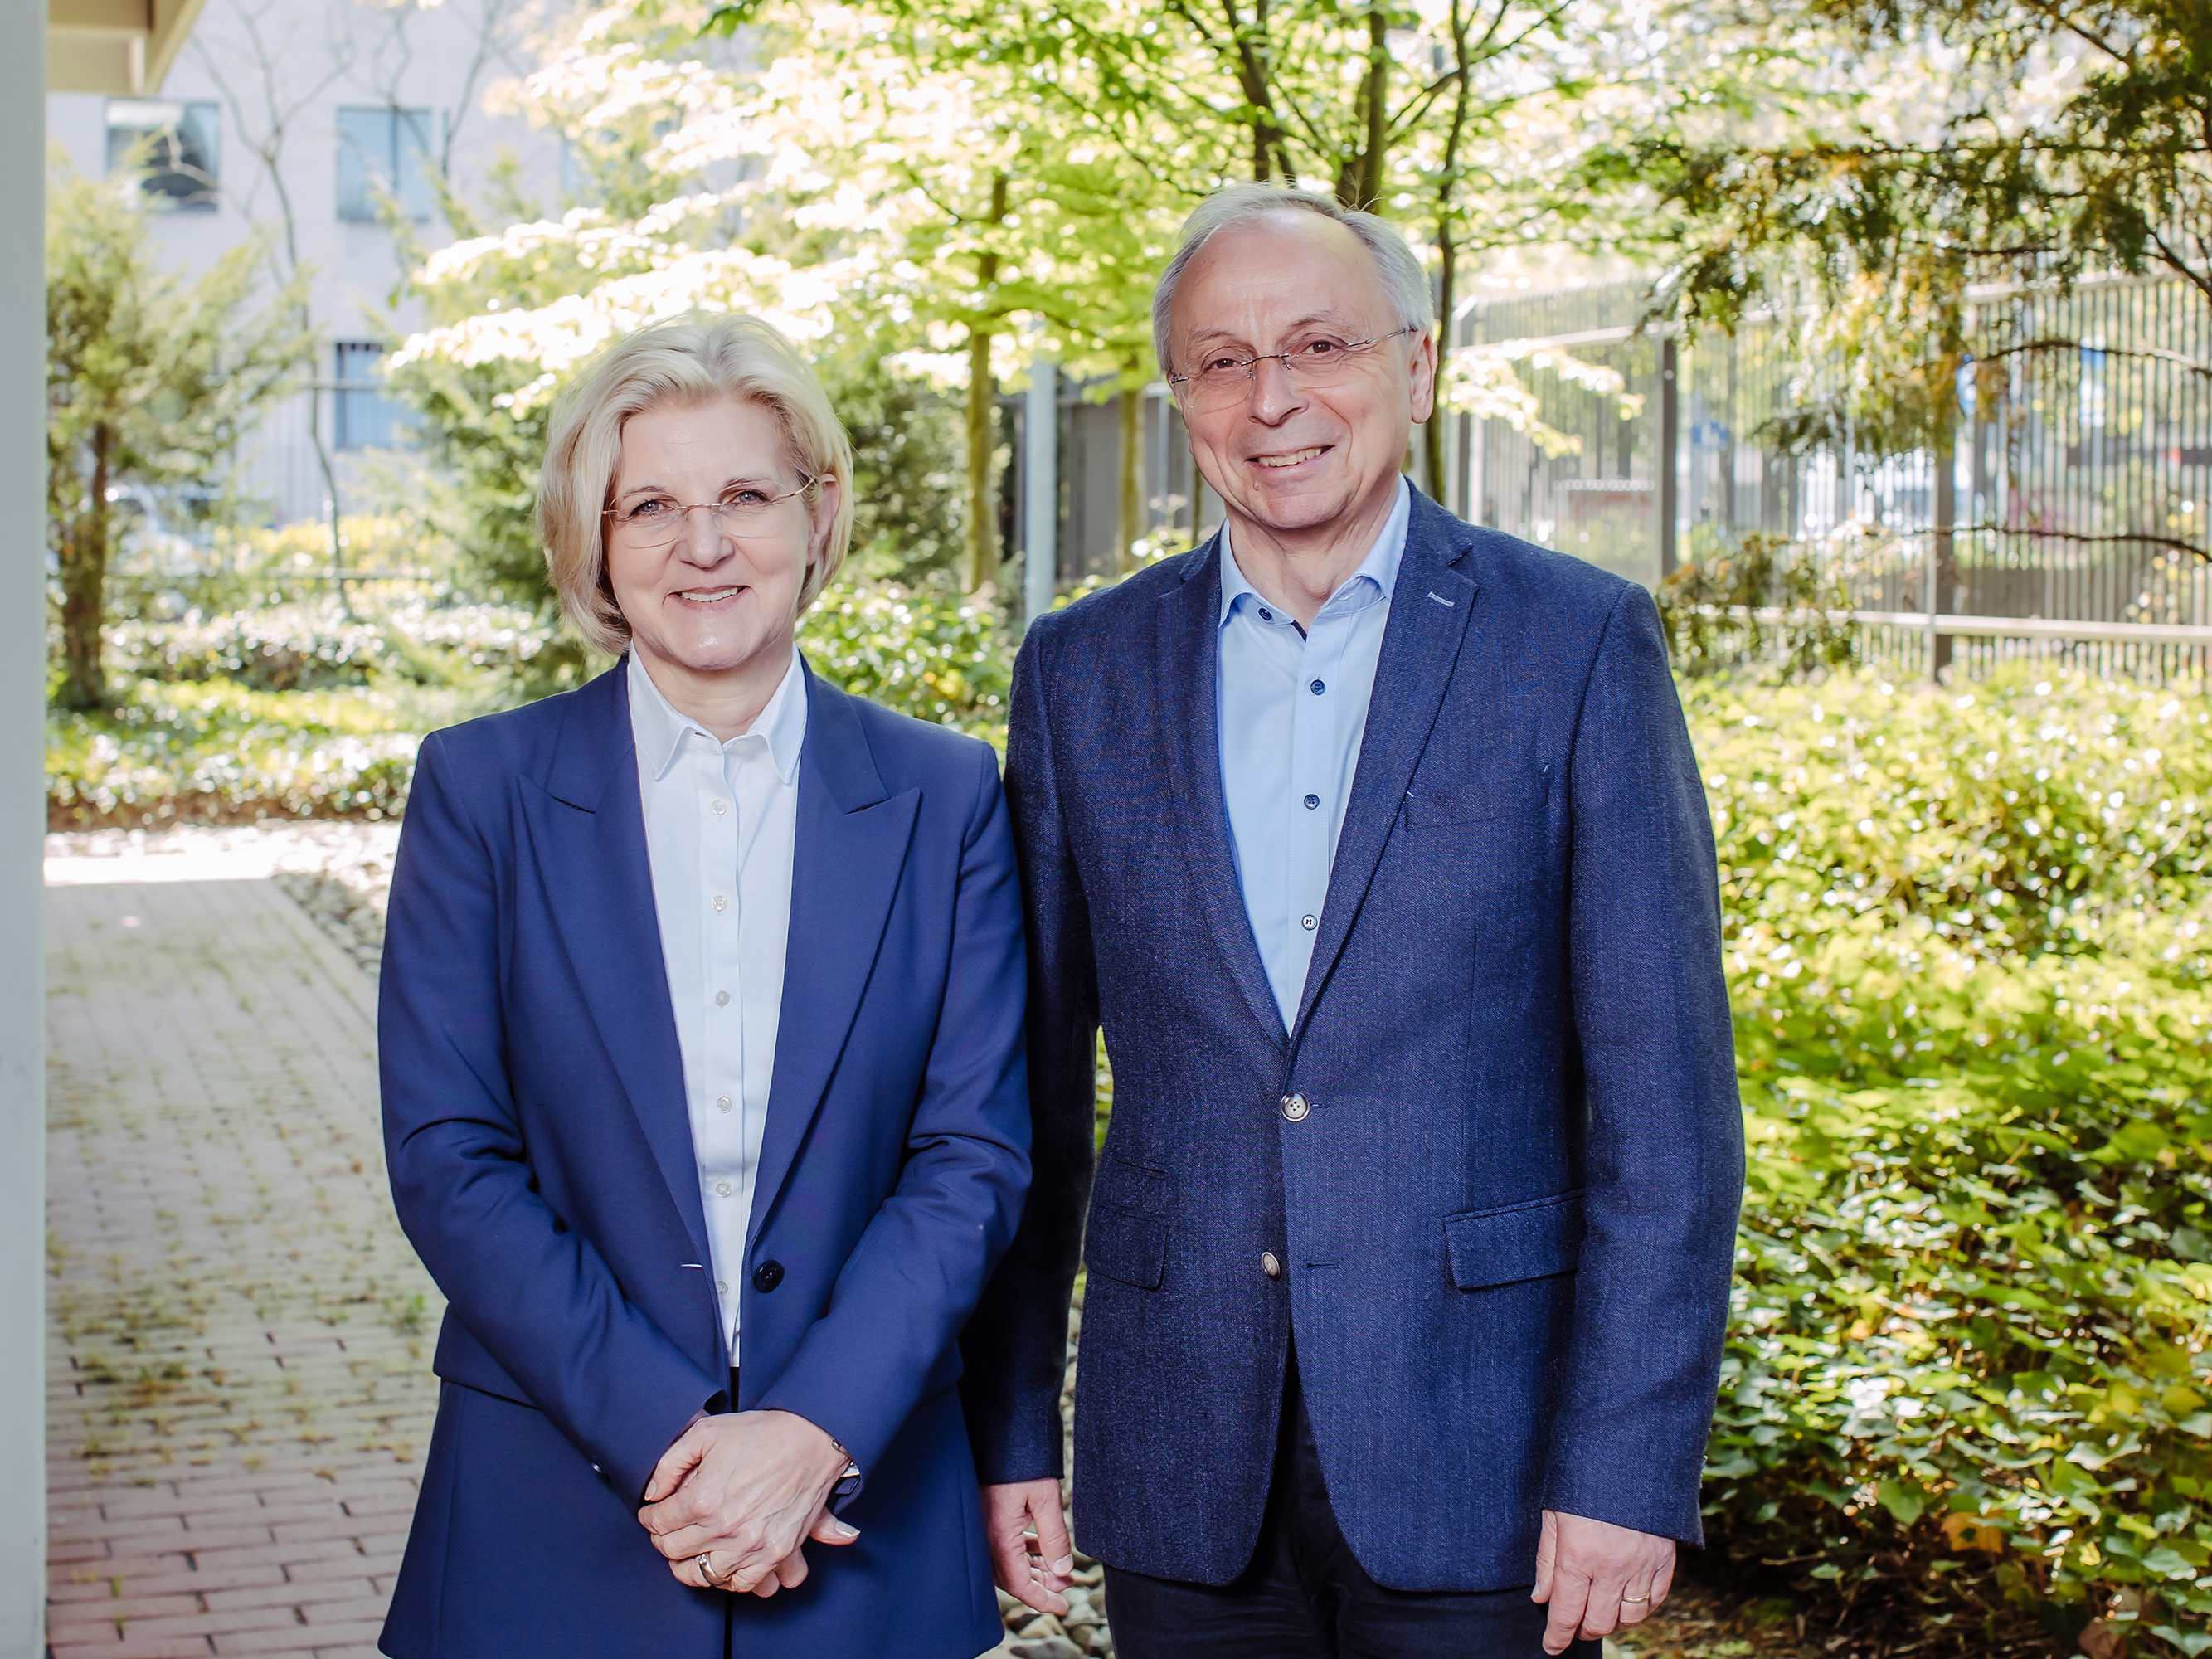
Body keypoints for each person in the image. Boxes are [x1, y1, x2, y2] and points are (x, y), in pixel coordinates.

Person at [961, 184, 1745, 1659]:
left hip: (1489, 1466)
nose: (1273, 400)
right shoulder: (1081, 675)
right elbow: (1030, 1111)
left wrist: (1626, 1466)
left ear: (1418, 367)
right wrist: (1009, 1427)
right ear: (1183, 395)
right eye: (1222, 361)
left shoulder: (1576, 645)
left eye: (1319, 344)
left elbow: (1670, 1111)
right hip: (1180, 1453)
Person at [377, 313, 1028, 1659]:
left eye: (744, 494)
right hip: (553, 1511)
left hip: (863, 1516)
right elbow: (449, 1154)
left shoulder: (945, 794)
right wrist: (675, 1447)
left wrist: (811, 1434)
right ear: (594, 539)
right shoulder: (481, 790)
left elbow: (970, 1155)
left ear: (818, 513)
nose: (705, 543)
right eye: (653, 506)